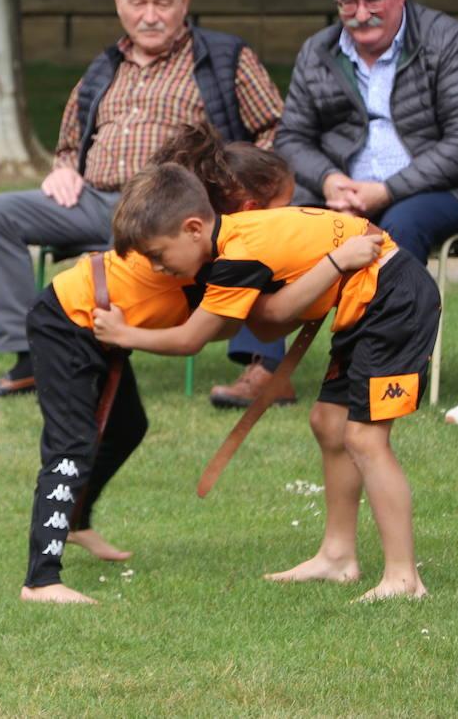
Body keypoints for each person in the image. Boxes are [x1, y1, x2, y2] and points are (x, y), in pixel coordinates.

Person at [21, 126, 379, 604]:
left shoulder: (216, 248)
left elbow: (246, 324)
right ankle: (41, 581)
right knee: (73, 443)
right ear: (249, 208)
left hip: (103, 328)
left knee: (128, 426)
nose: (287, 219)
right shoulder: (205, 253)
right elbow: (236, 327)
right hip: (69, 323)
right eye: (282, 208)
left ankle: (76, 521)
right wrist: (332, 264)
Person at [95, 163, 438, 601]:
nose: (160, 268)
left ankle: (404, 579)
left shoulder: (238, 255)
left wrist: (125, 335)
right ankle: (337, 556)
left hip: (393, 297)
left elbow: (195, 338)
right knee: (328, 422)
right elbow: (265, 326)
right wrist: (333, 266)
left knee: (365, 438)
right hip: (366, 302)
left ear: (194, 228)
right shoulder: (230, 248)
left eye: (160, 255)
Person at [0, 0, 286, 406]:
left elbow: (275, 128)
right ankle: (30, 360)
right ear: (119, 3)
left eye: (162, 3)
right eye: (139, 3)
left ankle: (262, 369)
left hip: (176, 214)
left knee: (259, 236)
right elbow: (70, 141)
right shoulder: (104, 67)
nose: (150, 16)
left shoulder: (225, 58)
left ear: (185, 2)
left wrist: (236, 184)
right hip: (96, 203)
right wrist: (63, 167)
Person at [275, 0, 458, 267]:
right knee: (275, 234)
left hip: (445, 191)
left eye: (374, 0)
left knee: (400, 226)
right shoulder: (318, 51)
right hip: (342, 193)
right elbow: (291, 137)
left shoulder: (448, 42)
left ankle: (390, 320)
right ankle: (250, 319)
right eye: (348, 2)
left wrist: (386, 191)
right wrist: (330, 181)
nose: (362, 15)